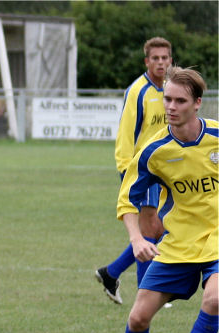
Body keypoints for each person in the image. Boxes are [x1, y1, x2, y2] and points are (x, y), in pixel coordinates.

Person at [116, 66, 217, 333]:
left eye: (179, 100)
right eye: (167, 99)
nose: (171, 106)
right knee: (138, 319)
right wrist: (136, 238)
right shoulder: (153, 150)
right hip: (178, 243)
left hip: (217, 238)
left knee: (215, 300)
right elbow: (127, 198)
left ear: (198, 103)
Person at [96, 37, 172, 305]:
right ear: (147, 61)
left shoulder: (171, 90)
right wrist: (126, 172)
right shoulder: (137, 91)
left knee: (159, 229)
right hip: (143, 170)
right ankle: (147, 292)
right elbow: (126, 135)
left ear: (171, 60)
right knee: (151, 228)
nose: (161, 62)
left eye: (165, 58)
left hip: (168, 170)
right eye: (155, 58)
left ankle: (111, 273)